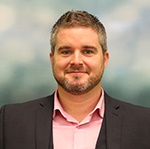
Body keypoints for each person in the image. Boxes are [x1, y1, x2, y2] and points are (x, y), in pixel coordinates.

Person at [0, 10, 150, 149]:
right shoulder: (10, 120)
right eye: (66, 51)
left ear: (105, 59)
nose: (77, 61)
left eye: (87, 51)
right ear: (52, 59)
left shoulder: (144, 123)